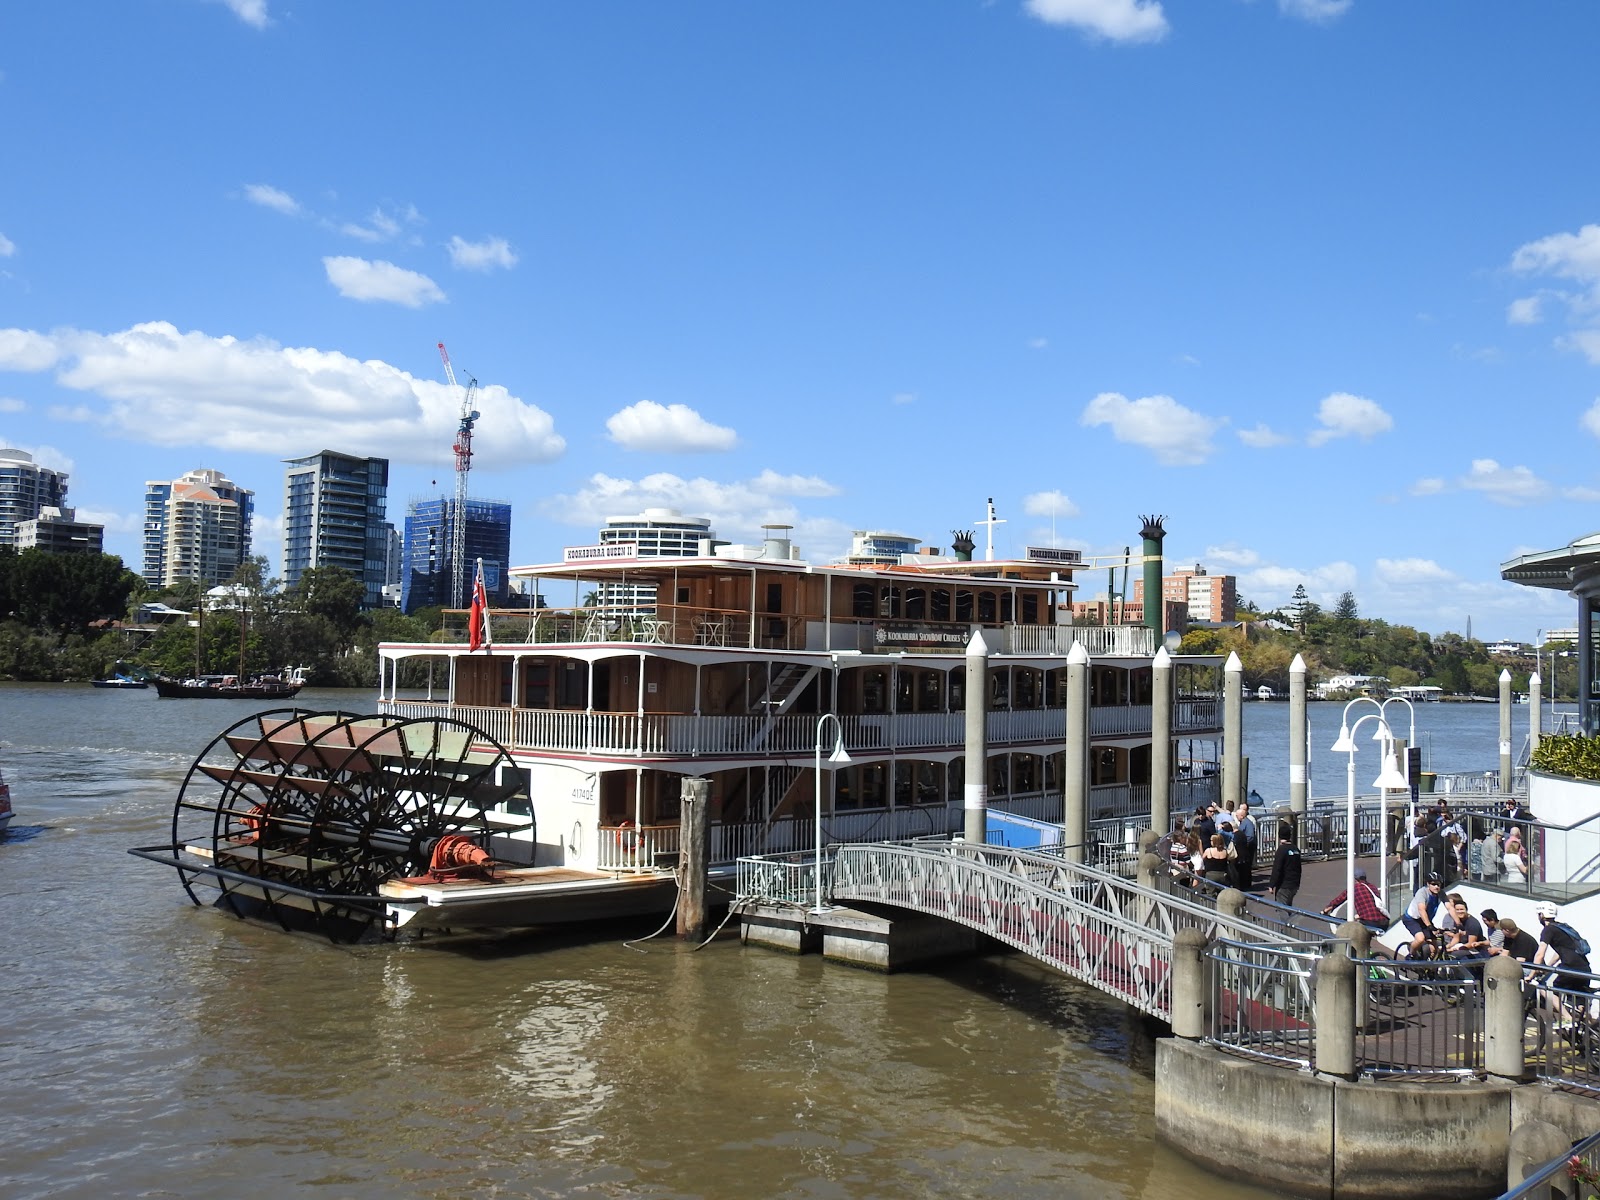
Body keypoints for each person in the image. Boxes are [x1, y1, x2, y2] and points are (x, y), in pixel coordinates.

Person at [1321, 867, 1387, 934]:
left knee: (1351, 929)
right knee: (1357, 919)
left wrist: (1325, 910)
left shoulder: (1354, 888)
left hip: (1370, 922)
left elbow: (1339, 900)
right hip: (1384, 922)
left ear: (1355, 879)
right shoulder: (1373, 887)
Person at [1400, 872, 1446, 957]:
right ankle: (1411, 955)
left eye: (1439, 885)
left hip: (1424, 919)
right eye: (1434, 884)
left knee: (1435, 947)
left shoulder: (1441, 893)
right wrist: (1429, 925)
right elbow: (1421, 910)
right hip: (1411, 919)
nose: (1437, 887)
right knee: (1420, 939)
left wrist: (1458, 923)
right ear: (1428, 884)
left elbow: (1450, 907)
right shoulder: (1422, 892)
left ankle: (1428, 966)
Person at [1441, 894, 1488, 961]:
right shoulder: (1457, 921)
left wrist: (1453, 949)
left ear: (1466, 910)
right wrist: (1447, 947)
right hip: (1461, 945)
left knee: (1454, 955)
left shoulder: (1472, 923)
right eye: (1457, 910)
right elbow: (1456, 938)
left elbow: (1471, 944)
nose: (1460, 911)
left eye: (1462, 909)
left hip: (1474, 950)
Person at [1267, 826, 1302, 908]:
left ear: (1279, 836)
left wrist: (1272, 884)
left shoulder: (1281, 850)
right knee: (1288, 906)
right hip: (1294, 883)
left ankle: (1287, 921)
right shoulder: (1295, 849)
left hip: (1284, 884)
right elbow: (1299, 868)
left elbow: (1277, 869)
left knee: (1281, 908)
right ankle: (1289, 920)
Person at [1232, 800, 1258, 890]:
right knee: (1245, 867)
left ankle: (1246, 884)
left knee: (1246, 866)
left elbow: (1250, 836)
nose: (1236, 816)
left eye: (1237, 815)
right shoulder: (1244, 823)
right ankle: (1245, 883)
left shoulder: (1247, 823)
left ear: (1242, 816)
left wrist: (1244, 844)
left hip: (1247, 848)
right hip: (1245, 847)